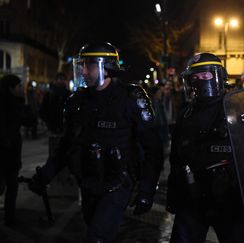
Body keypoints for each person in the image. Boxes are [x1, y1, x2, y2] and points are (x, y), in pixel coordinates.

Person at [28, 42, 164, 242]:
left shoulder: (130, 98)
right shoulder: (78, 102)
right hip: (89, 183)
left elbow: (153, 147)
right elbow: (67, 145)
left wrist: (147, 190)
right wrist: (44, 176)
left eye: (89, 65)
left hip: (118, 182)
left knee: (97, 237)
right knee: (95, 230)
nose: (83, 71)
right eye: (81, 65)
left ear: (107, 67)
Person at [166, 53, 244, 243]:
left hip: (229, 200)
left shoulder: (237, 110)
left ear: (219, 77)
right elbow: (176, 159)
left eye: (205, 76)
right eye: (195, 76)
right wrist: (173, 194)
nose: (200, 80)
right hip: (192, 198)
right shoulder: (186, 114)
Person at [0, 74, 36, 226]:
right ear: (11, 88)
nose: (22, 88)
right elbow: (30, 120)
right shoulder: (15, 105)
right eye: (19, 86)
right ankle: (9, 218)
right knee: (12, 186)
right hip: (9, 153)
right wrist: (25, 101)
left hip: (6, 152)